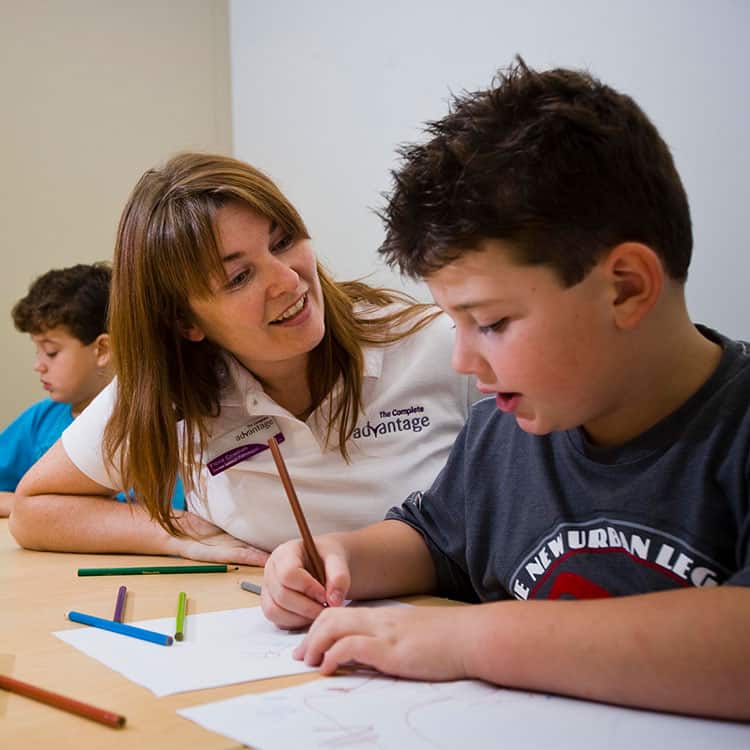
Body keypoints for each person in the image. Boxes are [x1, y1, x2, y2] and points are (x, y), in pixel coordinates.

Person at [260, 60, 750, 720]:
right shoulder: (505, 432)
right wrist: (335, 557)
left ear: (627, 287)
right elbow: (434, 542)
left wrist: (466, 640)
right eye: (454, 322)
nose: (465, 360)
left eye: (490, 323)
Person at [10, 153, 475, 564]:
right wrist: (179, 535)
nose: (288, 281)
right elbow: (34, 509)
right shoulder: (174, 384)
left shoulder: (437, 343)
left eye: (283, 241)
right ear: (184, 322)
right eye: (238, 277)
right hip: (269, 635)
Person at [1, 263, 185, 518]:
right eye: (37, 350)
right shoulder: (41, 419)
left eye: (51, 352)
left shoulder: (152, 423)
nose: (38, 365)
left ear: (103, 350)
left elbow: (161, 517)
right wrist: (26, 507)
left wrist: (38, 509)